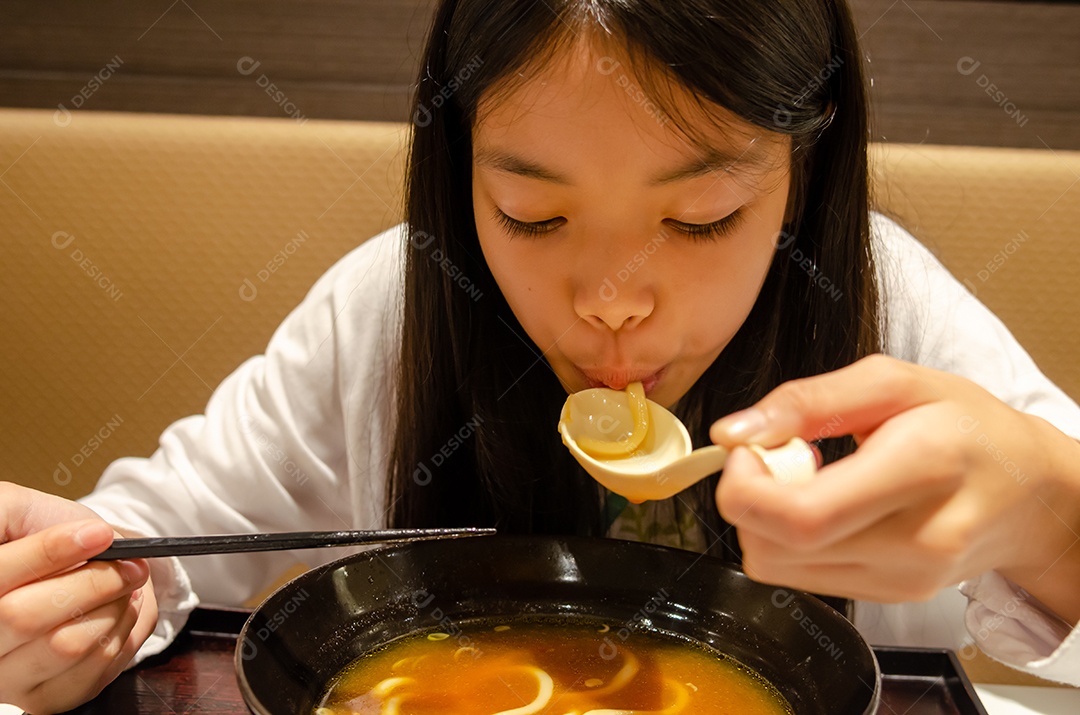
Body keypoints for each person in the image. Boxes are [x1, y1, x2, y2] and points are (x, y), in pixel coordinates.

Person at [4, 0, 1080, 710]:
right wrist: (83, 604)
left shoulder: (891, 318)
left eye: (702, 219)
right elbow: (163, 547)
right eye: (531, 215)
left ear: (806, 167)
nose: (612, 304)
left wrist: (1049, 510)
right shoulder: (390, 308)